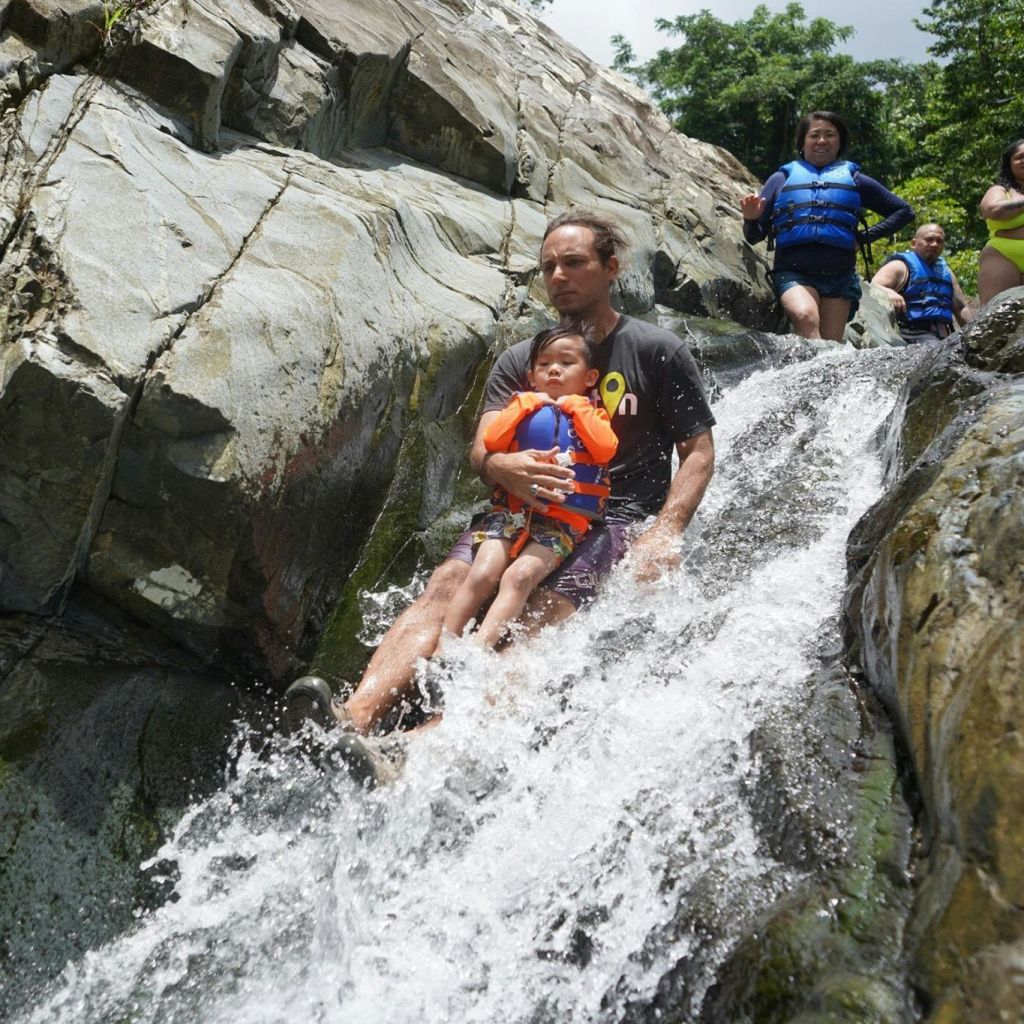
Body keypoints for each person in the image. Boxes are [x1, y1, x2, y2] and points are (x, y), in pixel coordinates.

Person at [281, 209, 716, 782]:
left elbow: (698, 451)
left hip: (612, 516)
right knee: (445, 583)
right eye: (548, 267)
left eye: (574, 262)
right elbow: (482, 451)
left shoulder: (657, 351)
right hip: (517, 509)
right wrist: (500, 463)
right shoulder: (522, 359)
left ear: (612, 268)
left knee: (538, 613)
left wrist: (666, 530)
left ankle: (422, 747)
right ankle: (355, 719)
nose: (558, 275)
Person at [437, 322, 618, 652]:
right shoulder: (522, 406)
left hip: (564, 521)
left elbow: (605, 449)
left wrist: (577, 407)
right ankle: (441, 653)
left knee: (519, 577)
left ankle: (477, 651)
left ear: (589, 378)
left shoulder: (593, 413)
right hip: (512, 510)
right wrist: (522, 405)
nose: (554, 370)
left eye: (566, 363)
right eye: (544, 364)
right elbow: (492, 440)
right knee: (482, 572)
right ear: (532, 376)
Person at [740, 110, 914, 341]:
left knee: (830, 346)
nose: (822, 141)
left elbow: (904, 211)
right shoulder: (780, 179)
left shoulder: (856, 180)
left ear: (839, 142)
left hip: (839, 276)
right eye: (815, 135)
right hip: (793, 271)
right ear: (802, 142)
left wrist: (863, 238)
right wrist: (751, 218)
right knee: (805, 317)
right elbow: (754, 236)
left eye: (830, 135)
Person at [870, 223, 972, 343]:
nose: (934, 244)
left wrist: (973, 333)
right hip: (912, 334)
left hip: (946, 335)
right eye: (929, 239)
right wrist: (888, 292)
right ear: (914, 243)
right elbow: (872, 286)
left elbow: (961, 309)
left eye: (939, 241)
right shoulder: (899, 266)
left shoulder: (946, 272)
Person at [978, 138, 1024, 306]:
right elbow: (993, 210)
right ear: (1010, 164)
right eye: (1020, 157)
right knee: (996, 316)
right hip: (1003, 255)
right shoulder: (1000, 190)